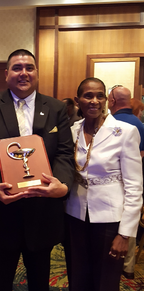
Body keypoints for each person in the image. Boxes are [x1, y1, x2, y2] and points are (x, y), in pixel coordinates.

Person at [0, 49, 74, 291]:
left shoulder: (56, 108)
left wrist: (63, 185)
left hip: (42, 212)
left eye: (29, 68)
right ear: (7, 74)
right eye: (17, 68)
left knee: (39, 283)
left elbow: (65, 153)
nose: (23, 73)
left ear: (37, 73)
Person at [65, 77, 143, 291]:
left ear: (106, 100)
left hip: (110, 220)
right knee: (77, 278)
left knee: (105, 282)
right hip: (75, 216)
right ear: (77, 100)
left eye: (100, 96)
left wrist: (125, 234)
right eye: (88, 96)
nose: (94, 101)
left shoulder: (125, 132)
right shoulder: (72, 131)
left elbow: (135, 187)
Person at [108, 85, 144, 279]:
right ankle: (128, 267)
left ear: (111, 101)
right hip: (134, 183)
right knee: (129, 225)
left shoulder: (110, 123)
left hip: (113, 187)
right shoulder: (139, 125)